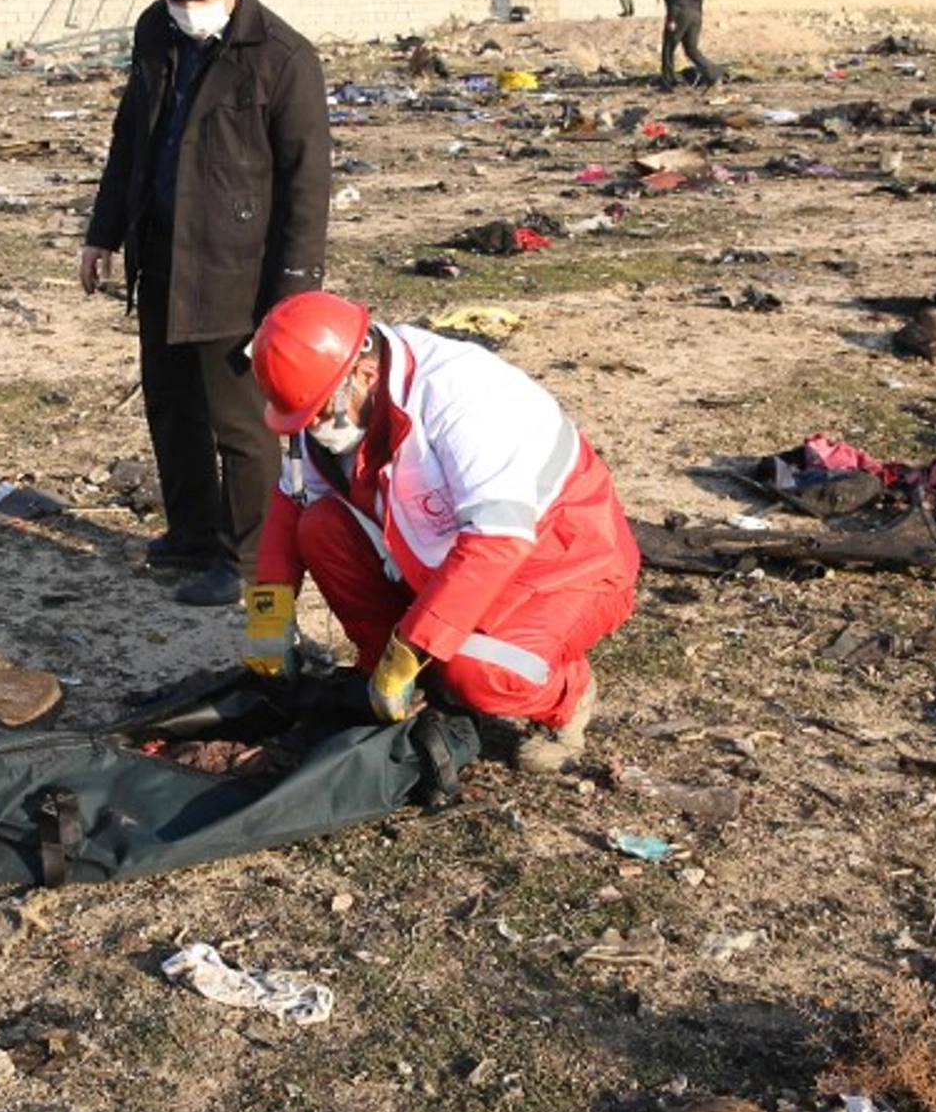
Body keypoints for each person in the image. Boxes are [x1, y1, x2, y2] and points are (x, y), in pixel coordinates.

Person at [240, 291, 641, 771]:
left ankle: (568, 693)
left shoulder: (463, 396)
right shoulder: (337, 400)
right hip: (454, 557)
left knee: (476, 673)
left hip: (565, 561)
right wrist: (270, 607)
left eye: (320, 414)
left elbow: (497, 542)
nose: (314, 429)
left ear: (364, 374)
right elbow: (293, 500)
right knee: (321, 528)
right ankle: (389, 676)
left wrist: (414, 645)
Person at [80, 0, 330, 608]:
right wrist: (103, 232)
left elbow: (308, 187)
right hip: (159, 251)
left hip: (235, 270)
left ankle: (247, 558)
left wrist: (292, 295)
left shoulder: (283, 58)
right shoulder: (154, 35)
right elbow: (130, 138)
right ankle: (191, 532)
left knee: (239, 423)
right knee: (170, 405)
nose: (188, 11)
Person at [659, 0, 718, 90]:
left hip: (680, 12)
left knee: (668, 48)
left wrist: (671, 18)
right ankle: (712, 73)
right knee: (691, 49)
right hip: (696, 13)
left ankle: (668, 82)